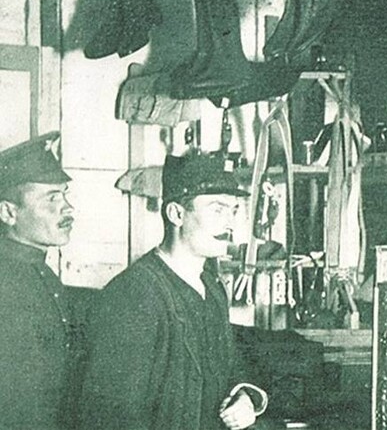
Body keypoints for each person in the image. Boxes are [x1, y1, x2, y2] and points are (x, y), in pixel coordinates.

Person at [80, 152, 267, 430]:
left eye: (234, 210)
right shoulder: (135, 293)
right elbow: (112, 413)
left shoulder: (212, 287)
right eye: (217, 209)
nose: (230, 223)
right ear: (176, 214)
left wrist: (245, 397)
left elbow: (228, 366)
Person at [0, 132, 78, 429]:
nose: (67, 208)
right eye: (51, 198)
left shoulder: (42, 273)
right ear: (9, 212)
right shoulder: (6, 283)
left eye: (65, 194)